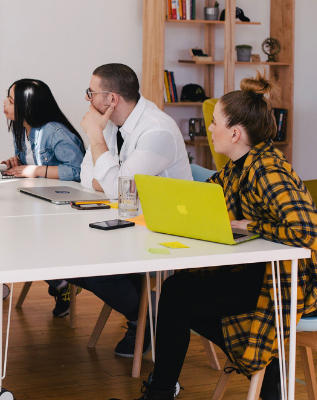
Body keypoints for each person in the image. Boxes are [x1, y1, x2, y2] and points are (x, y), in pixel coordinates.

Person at [116, 72, 317, 400]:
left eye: (214, 123)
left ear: (235, 133)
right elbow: (208, 198)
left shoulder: (268, 171)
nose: (209, 128)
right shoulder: (239, 167)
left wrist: (249, 226)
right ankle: (263, 371)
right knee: (179, 293)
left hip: (286, 282)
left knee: (177, 295)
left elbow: (306, 230)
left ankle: (167, 390)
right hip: (257, 270)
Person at [54, 64, 193, 358]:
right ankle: (143, 313)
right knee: (69, 260)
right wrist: (108, 170)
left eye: (91, 93)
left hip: (164, 228)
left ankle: (147, 318)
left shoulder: (156, 131)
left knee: (90, 267)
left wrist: (95, 137)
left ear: (112, 99)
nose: (88, 99)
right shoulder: (120, 126)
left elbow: (116, 188)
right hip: (133, 220)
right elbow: (90, 178)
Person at [1, 79, 85, 181]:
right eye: (7, 98)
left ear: (28, 108)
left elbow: (77, 170)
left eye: (10, 101)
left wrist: (36, 170)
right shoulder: (20, 128)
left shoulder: (55, 132)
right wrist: (18, 163)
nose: (5, 102)